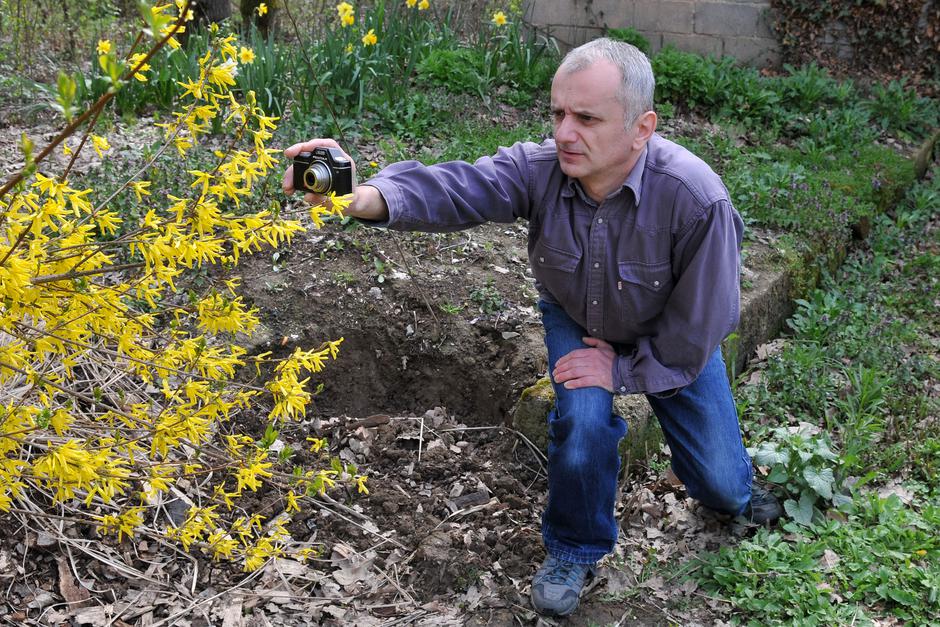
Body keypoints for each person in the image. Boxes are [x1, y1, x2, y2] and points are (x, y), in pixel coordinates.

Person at [283, 37, 782, 618]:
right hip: (579, 316)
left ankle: (738, 492)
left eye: (587, 118)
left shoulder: (696, 199)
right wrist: (357, 196)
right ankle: (574, 546)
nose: (566, 133)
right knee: (583, 417)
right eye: (558, 114)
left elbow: (700, 327)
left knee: (721, 486)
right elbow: (459, 188)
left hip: (668, 337)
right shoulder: (541, 168)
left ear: (642, 127)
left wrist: (623, 367)